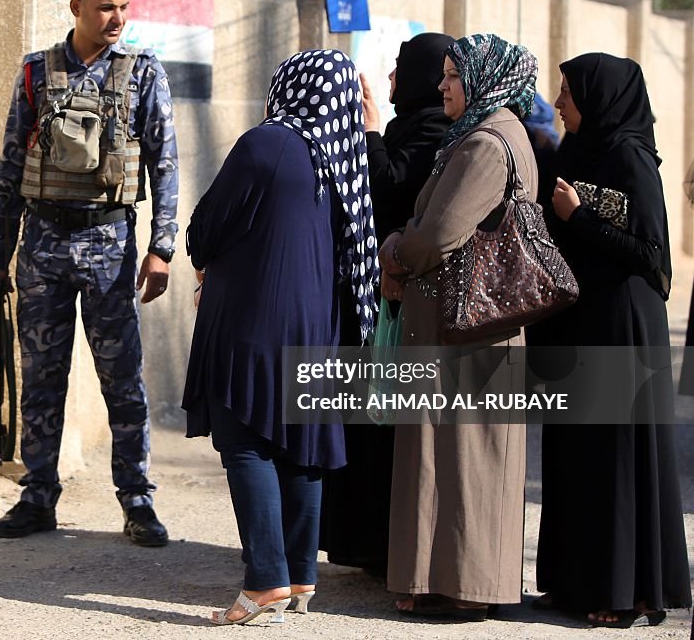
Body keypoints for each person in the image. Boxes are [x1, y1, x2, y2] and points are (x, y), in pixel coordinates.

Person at [0, 0, 178, 546]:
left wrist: (162, 247)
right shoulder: (36, 73)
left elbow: (164, 164)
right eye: (104, 7)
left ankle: (137, 501)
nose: (116, 17)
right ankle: (37, 494)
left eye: (123, 6)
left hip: (110, 241)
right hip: (43, 240)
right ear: (76, 6)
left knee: (122, 378)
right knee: (41, 373)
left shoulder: (143, 73)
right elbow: (12, 166)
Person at [184, 49, 378, 625]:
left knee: (246, 440)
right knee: (301, 449)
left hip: (255, 321)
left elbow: (208, 226)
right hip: (319, 324)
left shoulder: (270, 144)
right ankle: (298, 575)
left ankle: (265, 578)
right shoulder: (340, 157)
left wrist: (206, 262)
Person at [378, 33, 538, 619]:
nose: (443, 85)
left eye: (452, 75)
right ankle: (443, 579)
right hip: (461, 327)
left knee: (465, 457)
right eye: (441, 75)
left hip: (465, 329)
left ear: (484, 77)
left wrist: (395, 249)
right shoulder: (489, 133)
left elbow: (440, 233)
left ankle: (465, 585)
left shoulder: (486, 144)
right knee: (455, 453)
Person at [531, 53, 691, 628]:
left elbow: (654, 259)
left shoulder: (630, 157)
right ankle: (576, 580)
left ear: (598, 99)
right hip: (581, 322)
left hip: (623, 325)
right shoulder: (576, 151)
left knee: (617, 460)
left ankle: (627, 592)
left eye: (568, 93)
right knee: (576, 456)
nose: (558, 103)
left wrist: (579, 219)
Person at [320, 32, 452, 578]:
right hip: (379, 299)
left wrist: (371, 132)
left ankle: (381, 544)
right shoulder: (413, 129)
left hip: (405, 302)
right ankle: (363, 543)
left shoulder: (436, 134)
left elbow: (388, 192)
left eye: (399, 71)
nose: (392, 81)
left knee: (385, 427)